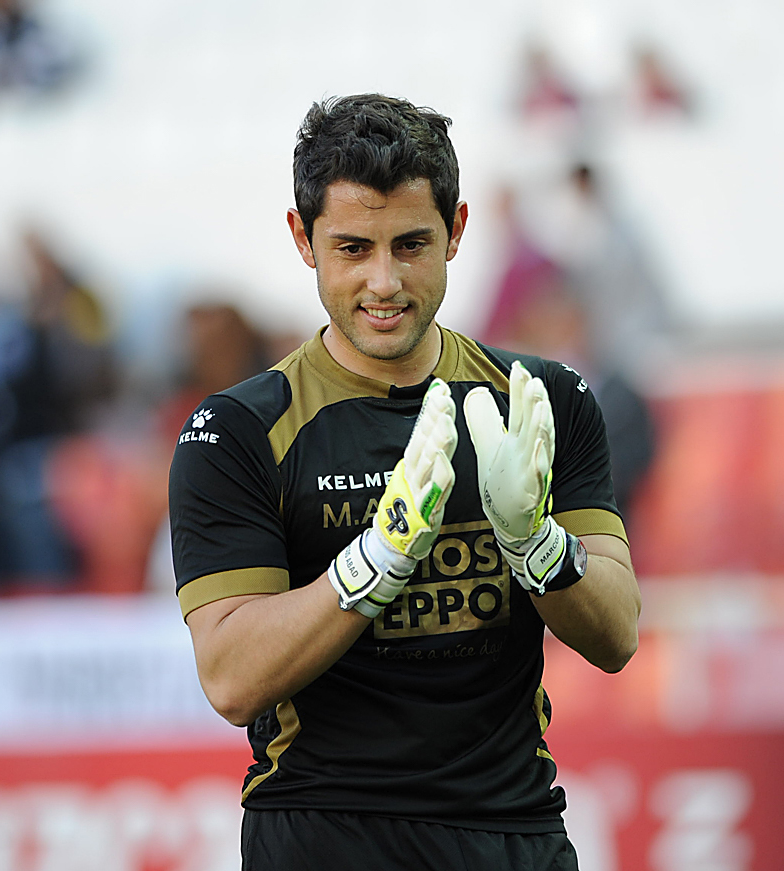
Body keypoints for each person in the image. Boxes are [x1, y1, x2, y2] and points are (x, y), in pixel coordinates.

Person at [168, 94, 641, 871]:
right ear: (303, 238)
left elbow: (618, 631)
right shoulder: (238, 430)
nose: (384, 282)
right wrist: (375, 559)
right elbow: (231, 678)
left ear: (457, 231)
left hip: (513, 831)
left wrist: (536, 543)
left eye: (412, 244)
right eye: (353, 248)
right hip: (322, 835)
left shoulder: (540, 401)